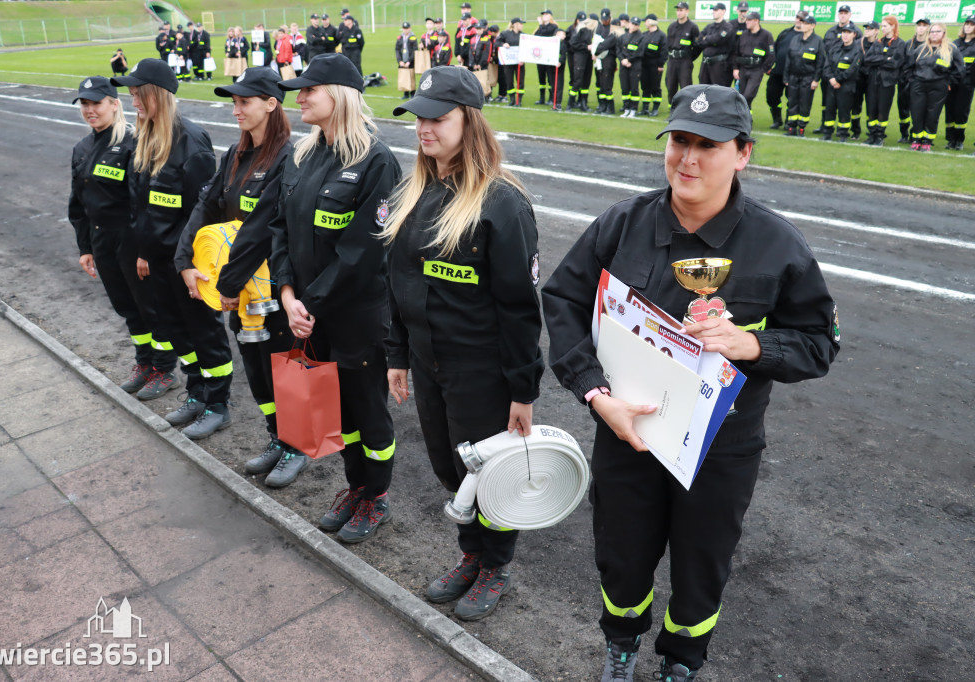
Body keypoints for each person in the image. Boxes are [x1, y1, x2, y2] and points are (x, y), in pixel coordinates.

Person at [541, 83, 840, 682]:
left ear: (744, 153)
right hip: (629, 434)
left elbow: (819, 343)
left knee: (703, 568)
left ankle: (680, 660)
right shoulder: (622, 224)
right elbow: (563, 299)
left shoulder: (777, 245)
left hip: (721, 449)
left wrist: (751, 344)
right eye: (680, 140)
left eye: (709, 144)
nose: (689, 158)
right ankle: (621, 644)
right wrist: (597, 395)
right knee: (621, 561)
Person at [385, 66, 543, 621]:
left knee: (487, 477)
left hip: (482, 371)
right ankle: (472, 555)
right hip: (428, 363)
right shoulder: (416, 192)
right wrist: (398, 357)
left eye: (437, 117)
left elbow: (521, 311)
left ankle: (495, 566)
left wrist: (522, 392)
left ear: (468, 121)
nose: (424, 128)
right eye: (418, 118)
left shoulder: (502, 204)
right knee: (449, 469)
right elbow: (398, 282)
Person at [263, 53, 402, 542]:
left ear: (339, 97)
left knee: (367, 408)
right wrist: (286, 292)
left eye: (308, 91)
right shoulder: (302, 154)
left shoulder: (376, 161)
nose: (298, 98)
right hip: (304, 311)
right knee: (333, 410)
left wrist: (310, 304)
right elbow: (280, 228)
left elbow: (363, 249)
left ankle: (376, 494)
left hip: (354, 316)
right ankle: (355, 485)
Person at [172, 67, 302, 485]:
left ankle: (296, 445)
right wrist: (185, 261)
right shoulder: (233, 155)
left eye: (244, 101)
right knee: (258, 373)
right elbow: (205, 207)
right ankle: (277, 437)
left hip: (271, 290)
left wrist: (227, 281)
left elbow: (265, 229)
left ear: (271, 103)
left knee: (285, 372)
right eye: (233, 102)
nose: (236, 109)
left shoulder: (290, 158)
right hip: (239, 293)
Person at [110, 60, 228, 438]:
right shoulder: (145, 139)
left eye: (137, 94)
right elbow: (140, 206)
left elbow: (205, 212)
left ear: (157, 94)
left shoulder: (191, 142)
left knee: (205, 334)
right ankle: (196, 392)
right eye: (130, 94)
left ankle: (218, 404)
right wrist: (144, 252)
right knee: (178, 333)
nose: (133, 101)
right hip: (158, 261)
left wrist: (190, 266)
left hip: (187, 264)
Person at [68, 75, 176, 399]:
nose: (90, 110)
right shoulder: (82, 147)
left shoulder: (133, 141)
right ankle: (144, 362)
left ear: (114, 104)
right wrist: (85, 247)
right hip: (102, 242)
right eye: (85, 104)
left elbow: (143, 201)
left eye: (96, 103)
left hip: (130, 240)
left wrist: (145, 249)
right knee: (126, 307)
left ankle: (165, 368)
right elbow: (78, 202)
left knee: (149, 306)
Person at [906, 21, 963, 151]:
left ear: (943, 33)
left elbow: (960, 69)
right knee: (917, 113)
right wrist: (912, 81)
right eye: (932, 31)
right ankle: (916, 139)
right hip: (919, 85)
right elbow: (909, 67)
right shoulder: (920, 49)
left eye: (937, 31)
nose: (934, 34)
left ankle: (927, 141)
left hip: (938, 86)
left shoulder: (951, 49)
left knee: (932, 114)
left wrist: (949, 82)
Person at [816, 5, 862, 136]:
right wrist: (831, 79)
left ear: (854, 34)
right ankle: (827, 131)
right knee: (829, 108)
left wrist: (838, 79)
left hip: (846, 84)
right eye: (844, 33)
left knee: (844, 110)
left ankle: (843, 133)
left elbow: (853, 68)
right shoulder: (833, 41)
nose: (845, 35)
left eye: (848, 33)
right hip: (831, 82)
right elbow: (827, 63)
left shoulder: (857, 50)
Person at [863, 16, 906, 145]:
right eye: (882, 26)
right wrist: (885, 59)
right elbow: (868, 59)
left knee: (883, 110)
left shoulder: (900, 43)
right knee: (871, 109)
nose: (883, 28)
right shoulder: (878, 42)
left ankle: (880, 136)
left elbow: (895, 63)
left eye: (885, 26)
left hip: (887, 82)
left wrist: (880, 59)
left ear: (893, 26)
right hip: (873, 81)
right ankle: (871, 135)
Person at [784, 15, 825, 136]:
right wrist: (786, 77)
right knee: (792, 102)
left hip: (808, 78)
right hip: (793, 77)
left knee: (805, 103)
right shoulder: (795, 39)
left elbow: (820, 62)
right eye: (802, 23)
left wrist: (816, 79)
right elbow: (788, 59)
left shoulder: (818, 41)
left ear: (812, 26)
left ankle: (801, 128)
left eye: (806, 23)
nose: (803, 25)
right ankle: (791, 128)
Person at [766, 10, 805, 129]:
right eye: (797, 17)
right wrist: (770, 65)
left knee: (792, 99)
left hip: (794, 73)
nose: (798, 20)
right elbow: (775, 49)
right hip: (777, 72)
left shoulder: (805, 36)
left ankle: (789, 122)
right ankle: (777, 120)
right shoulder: (785, 32)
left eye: (801, 19)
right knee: (771, 95)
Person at [897, 17, 931, 142]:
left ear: (928, 28)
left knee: (918, 110)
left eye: (924, 25)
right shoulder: (908, 44)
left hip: (920, 83)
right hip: (904, 82)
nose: (921, 28)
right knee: (903, 109)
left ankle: (915, 134)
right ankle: (904, 133)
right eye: (919, 25)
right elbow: (901, 62)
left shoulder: (929, 45)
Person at [944, 15, 975, 150]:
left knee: (961, 111)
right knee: (949, 110)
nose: (968, 26)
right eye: (966, 24)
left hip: (967, 84)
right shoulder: (956, 43)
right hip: (952, 82)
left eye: (971, 24)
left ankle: (959, 139)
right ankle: (950, 139)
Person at [731, 12, 773, 108]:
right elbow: (736, 52)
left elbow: (771, 55)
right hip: (743, 69)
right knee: (741, 96)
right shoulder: (743, 35)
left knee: (748, 95)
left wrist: (763, 69)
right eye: (747, 20)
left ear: (756, 21)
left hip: (756, 70)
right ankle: (746, 119)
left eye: (749, 20)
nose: (747, 22)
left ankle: (744, 118)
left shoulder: (766, 35)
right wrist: (735, 68)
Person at [665, 2, 700, 105]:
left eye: (681, 10)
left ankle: (686, 111)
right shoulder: (672, 26)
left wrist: (689, 58)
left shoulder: (692, 27)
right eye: (678, 10)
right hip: (672, 61)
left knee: (686, 87)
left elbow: (697, 47)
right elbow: (668, 44)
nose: (679, 12)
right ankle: (673, 110)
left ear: (687, 11)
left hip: (685, 61)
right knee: (671, 86)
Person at [592, 8, 623, 114]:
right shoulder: (600, 28)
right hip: (599, 60)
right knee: (600, 84)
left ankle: (610, 107)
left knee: (607, 84)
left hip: (608, 59)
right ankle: (602, 105)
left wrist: (595, 52)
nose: (605, 21)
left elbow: (606, 44)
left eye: (606, 19)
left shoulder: (613, 29)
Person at [696, 2, 734, 87]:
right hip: (705, 64)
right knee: (703, 90)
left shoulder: (727, 27)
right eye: (713, 10)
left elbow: (718, 39)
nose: (714, 12)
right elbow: (699, 41)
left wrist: (707, 38)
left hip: (718, 65)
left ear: (723, 11)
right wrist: (711, 40)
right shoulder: (709, 26)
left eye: (716, 10)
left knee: (718, 91)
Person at [638, 15, 668, 116]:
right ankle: (645, 108)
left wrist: (660, 64)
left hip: (655, 64)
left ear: (651, 22)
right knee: (645, 86)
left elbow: (664, 52)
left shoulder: (661, 35)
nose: (644, 23)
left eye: (645, 21)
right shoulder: (644, 34)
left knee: (655, 86)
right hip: (644, 64)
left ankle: (655, 108)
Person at [619, 16, 645, 117]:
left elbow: (639, 52)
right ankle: (626, 108)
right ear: (629, 24)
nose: (634, 26)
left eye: (636, 25)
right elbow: (619, 49)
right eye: (632, 24)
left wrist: (629, 60)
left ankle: (633, 109)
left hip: (635, 65)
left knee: (634, 87)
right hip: (624, 65)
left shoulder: (641, 37)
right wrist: (622, 60)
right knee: (625, 88)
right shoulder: (623, 36)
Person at [567, 11, 593, 111]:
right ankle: (570, 102)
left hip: (588, 57)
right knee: (577, 80)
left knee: (586, 81)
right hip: (579, 56)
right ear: (577, 20)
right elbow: (573, 43)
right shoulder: (576, 30)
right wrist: (586, 47)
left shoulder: (588, 29)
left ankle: (583, 103)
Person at [534, 10, 561, 105]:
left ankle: (551, 97)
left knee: (550, 78)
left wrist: (541, 25)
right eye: (543, 14)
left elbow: (546, 33)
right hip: (540, 56)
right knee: (541, 78)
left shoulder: (554, 27)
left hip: (549, 56)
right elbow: (536, 36)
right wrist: (540, 26)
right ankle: (542, 98)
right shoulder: (540, 27)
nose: (544, 16)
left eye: (546, 14)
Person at [498, 18, 527, 106]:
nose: (522, 25)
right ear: (515, 24)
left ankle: (519, 101)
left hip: (520, 63)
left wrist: (523, 59)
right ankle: (512, 100)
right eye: (521, 23)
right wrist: (503, 44)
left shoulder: (523, 35)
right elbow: (497, 41)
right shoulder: (505, 33)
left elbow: (528, 48)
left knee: (520, 81)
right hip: (508, 62)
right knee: (509, 81)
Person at [396, 21, 418, 99]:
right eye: (404, 28)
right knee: (404, 76)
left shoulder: (413, 37)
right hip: (402, 60)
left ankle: (412, 93)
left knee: (411, 76)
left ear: (410, 28)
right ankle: (405, 93)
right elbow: (397, 50)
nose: (405, 30)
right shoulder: (400, 37)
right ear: (402, 29)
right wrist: (400, 61)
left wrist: (409, 61)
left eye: (407, 28)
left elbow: (414, 50)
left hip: (410, 61)